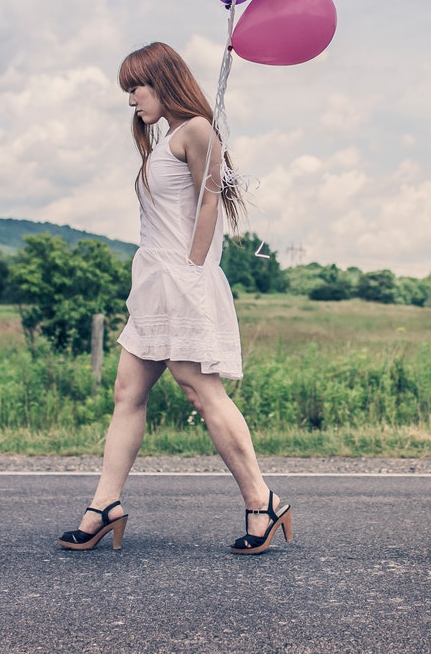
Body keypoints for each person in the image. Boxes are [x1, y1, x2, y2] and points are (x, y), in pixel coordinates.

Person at [58, 41, 291, 555]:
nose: (131, 100)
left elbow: (209, 205)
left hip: (183, 281)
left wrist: (192, 272)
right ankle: (104, 506)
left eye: (136, 87)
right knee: (126, 393)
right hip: (153, 285)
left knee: (199, 389)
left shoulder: (197, 131)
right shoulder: (164, 141)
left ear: (163, 80)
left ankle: (262, 500)